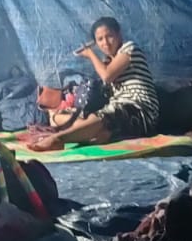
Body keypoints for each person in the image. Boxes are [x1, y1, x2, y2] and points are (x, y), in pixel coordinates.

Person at [28, 16, 160, 151]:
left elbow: (107, 76)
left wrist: (90, 54)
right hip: (116, 110)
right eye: (100, 39)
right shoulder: (108, 61)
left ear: (119, 34)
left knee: (103, 119)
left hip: (140, 110)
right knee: (87, 125)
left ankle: (57, 139)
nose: (106, 43)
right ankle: (90, 133)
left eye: (109, 36)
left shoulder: (129, 49)